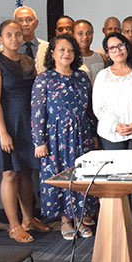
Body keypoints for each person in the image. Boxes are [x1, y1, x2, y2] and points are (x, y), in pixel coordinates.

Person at [0, 19, 50, 243]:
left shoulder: (27, 61)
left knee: (26, 173)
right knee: (9, 173)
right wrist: (3, 132)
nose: (14, 38)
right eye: (9, 35)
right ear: (0, 39)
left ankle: (28, 219)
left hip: (27, 122)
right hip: (7, 124)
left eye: (18, 34)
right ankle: (13, 226)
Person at [32, 35, 97, 239]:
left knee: (81, 176)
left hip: (81, 133)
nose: (66, 54)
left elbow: (89, 110)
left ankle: (80, 217)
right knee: (61, 175)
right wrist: (39, 141)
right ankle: (64, 220)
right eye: (61, 50)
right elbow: (37, 111)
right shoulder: (45, 78)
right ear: (52, 53)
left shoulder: (82, 77)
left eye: (70, 50)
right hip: (56, 136)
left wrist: (93, 134)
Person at [93, 32, 132, 234]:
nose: (117, 50)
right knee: (117, 177)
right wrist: (116, 125)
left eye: (120, 45)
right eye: (112, 48)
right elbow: (99, 106)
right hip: (112, 133)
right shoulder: (103, 76)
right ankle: (120, 218)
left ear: (127, 47)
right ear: (107, 52)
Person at [11, 5, 48, 73]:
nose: (25, 24)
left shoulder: (48, 47)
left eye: (29, 20)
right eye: (20, 20)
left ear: (36, 23)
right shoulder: (6, 50)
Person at [73, 20, 107, 85]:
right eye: (80, 33)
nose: (85, 37)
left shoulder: (102, 57)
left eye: (89, 33)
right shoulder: (70, 59)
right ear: (73, 35)